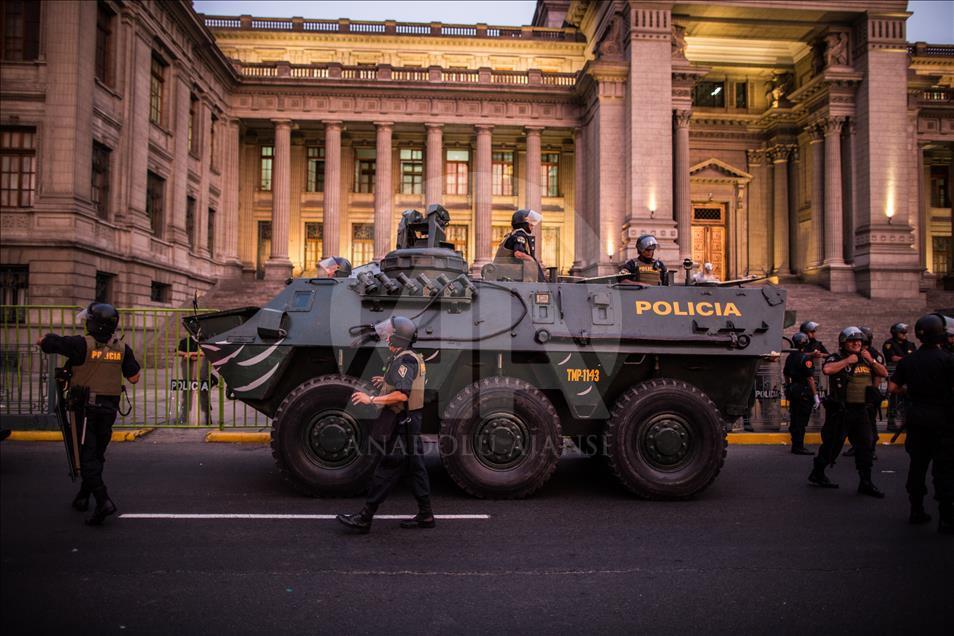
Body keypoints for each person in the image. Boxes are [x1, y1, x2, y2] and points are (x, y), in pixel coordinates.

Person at [37, 303, 141, 526]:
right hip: (109, 409)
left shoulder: (79, 344)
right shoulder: (123, 348)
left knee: (85, 457)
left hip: (84, 410)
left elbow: (48, 342)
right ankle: (84, 497)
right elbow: (134, 378)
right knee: (97, 454)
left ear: (93, 323)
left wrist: (44, 339)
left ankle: (103, 500)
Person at [337, 316, 434, 534]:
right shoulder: (407, 356)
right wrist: (386, 382)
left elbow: (402, 394)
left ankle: (365, 517)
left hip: (404, 422)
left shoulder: (404, 361)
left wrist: (371, 399)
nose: (386, 338)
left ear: (399, 339)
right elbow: (407, 385)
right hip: (412, 419)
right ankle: (426, 515)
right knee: (416, 467)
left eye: (390, 335)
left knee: (388, 467)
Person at [888, 313, 954, 533]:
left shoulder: (909, 360)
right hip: (943, 420)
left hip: (916, 418)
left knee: (917, 466)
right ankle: (945, 517)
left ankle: (916, 509)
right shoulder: (947, 360)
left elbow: (893, 388)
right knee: (943, 470)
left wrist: (912, 390)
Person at [808, 326, 886, 498]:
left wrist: (871, 361)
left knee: (866, 446)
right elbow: (827, 370)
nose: (857, 343)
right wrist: (847, 362)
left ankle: (865, 482)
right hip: (841, 411)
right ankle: (818, 472)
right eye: (852, 341)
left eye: (859, 341)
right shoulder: (837, 357)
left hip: (861, 410)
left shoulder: (866, 359)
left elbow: (884, 373)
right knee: (832, 446)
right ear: (844, 343)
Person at [844, 326, 888, 458]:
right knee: (853, 426)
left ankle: (870, 449)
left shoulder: (872, 354)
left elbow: (879, 375)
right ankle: (856, 446)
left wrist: (872, 394)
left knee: (870, 425)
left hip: (868, 396)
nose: (857, 342)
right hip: (853, 397)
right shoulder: (855, 354)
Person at [783, 332, 819, 455]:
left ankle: (795, 444)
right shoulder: (805, 358)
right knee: (801, 420)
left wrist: (788, 386)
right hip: (804, 391)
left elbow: (786, 374)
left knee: (794, 418)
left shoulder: (790, 357)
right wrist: (815, 395)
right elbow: (810, 379)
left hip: (793, 389)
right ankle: (799, 446)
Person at [493, 209, 545, 282]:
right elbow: (518, 254)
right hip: (507, 274)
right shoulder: (520, 235)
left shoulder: (511, 235)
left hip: (500, 274)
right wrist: (532, 261)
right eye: (530, 224)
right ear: (524, 224)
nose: (532, 227)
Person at [882, 323, 916, 432]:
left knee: (909, 398)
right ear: (895, 333)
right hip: (895, 374)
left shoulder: (910, 344)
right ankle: (893, 424)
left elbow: (915, 356)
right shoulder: (889, 344)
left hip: (909, 374)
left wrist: (904, 359)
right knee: (895, 398)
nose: (904, 334)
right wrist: (907, 358)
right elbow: (893, 358)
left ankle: (908, 422)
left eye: (905, 332)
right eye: (902, 332)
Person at [176, 334, 215, 426]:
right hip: (188, 369)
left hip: (202, 370)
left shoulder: (205, 340)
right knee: (186, 392)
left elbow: (207, 352)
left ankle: (207, 417)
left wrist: (192, 354)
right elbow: (177, 352)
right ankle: (184, 416)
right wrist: (186, 354)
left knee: (203, 392)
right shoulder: (186, 341)